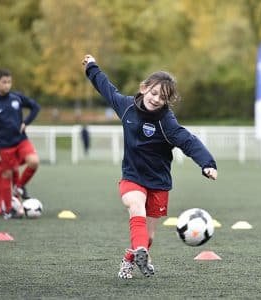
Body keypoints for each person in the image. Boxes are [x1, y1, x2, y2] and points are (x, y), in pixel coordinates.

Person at [82, 54, 218, 279]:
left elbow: (188, 141)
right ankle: (139, 253)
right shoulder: (126, 106)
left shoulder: (167, 123)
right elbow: (105, 88)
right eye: (154, 93)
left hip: (158, 182)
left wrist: (207, 164)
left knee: (150, 236)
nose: (156, 99)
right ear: (144, 88)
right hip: (132, 177)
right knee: (136, 208)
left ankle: (132, 256)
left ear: (167, 101)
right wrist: (91, 67)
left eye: (162, 98)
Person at [0, 69, 40, 219]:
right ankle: (8, 211)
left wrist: (25, 122)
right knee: (7, 174)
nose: (7, 85)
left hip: (21, 140)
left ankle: (19, 187)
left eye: (9, 82)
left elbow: (35, 107)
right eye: (4, 82)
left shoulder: (17, 98)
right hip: (4, 145)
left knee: (34, 162)